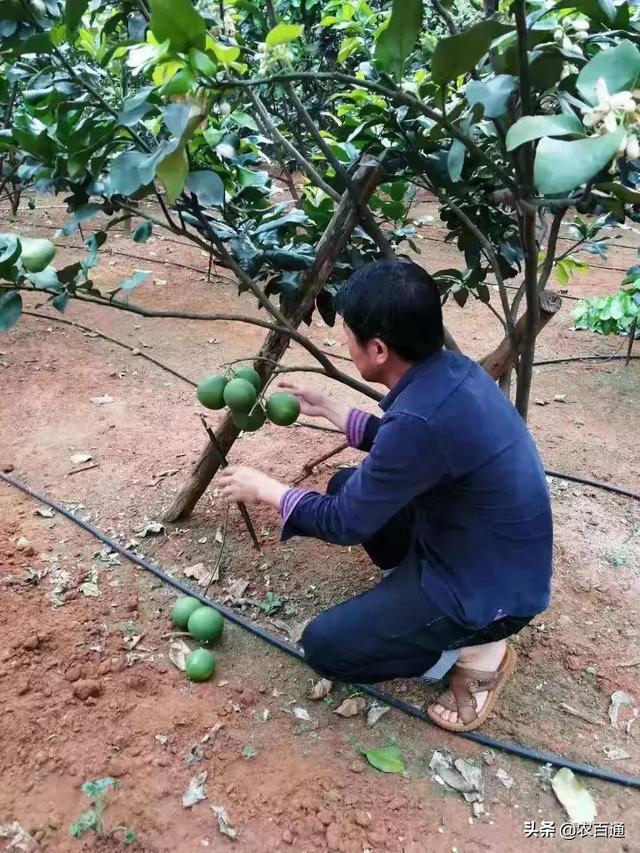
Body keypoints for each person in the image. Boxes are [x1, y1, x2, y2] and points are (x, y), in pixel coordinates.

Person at [218, 260, 553, 732]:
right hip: (486, 551)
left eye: (348, 334)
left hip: (491, 593)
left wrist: (268, 490)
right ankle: (417, 601)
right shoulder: (452, 371)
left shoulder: (421, 418)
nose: (344, 341)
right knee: (343, 484)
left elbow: (343, 522)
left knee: (326, 647)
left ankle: (478, 650)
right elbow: (416, 448)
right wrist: (334, 410)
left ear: (377, 349)